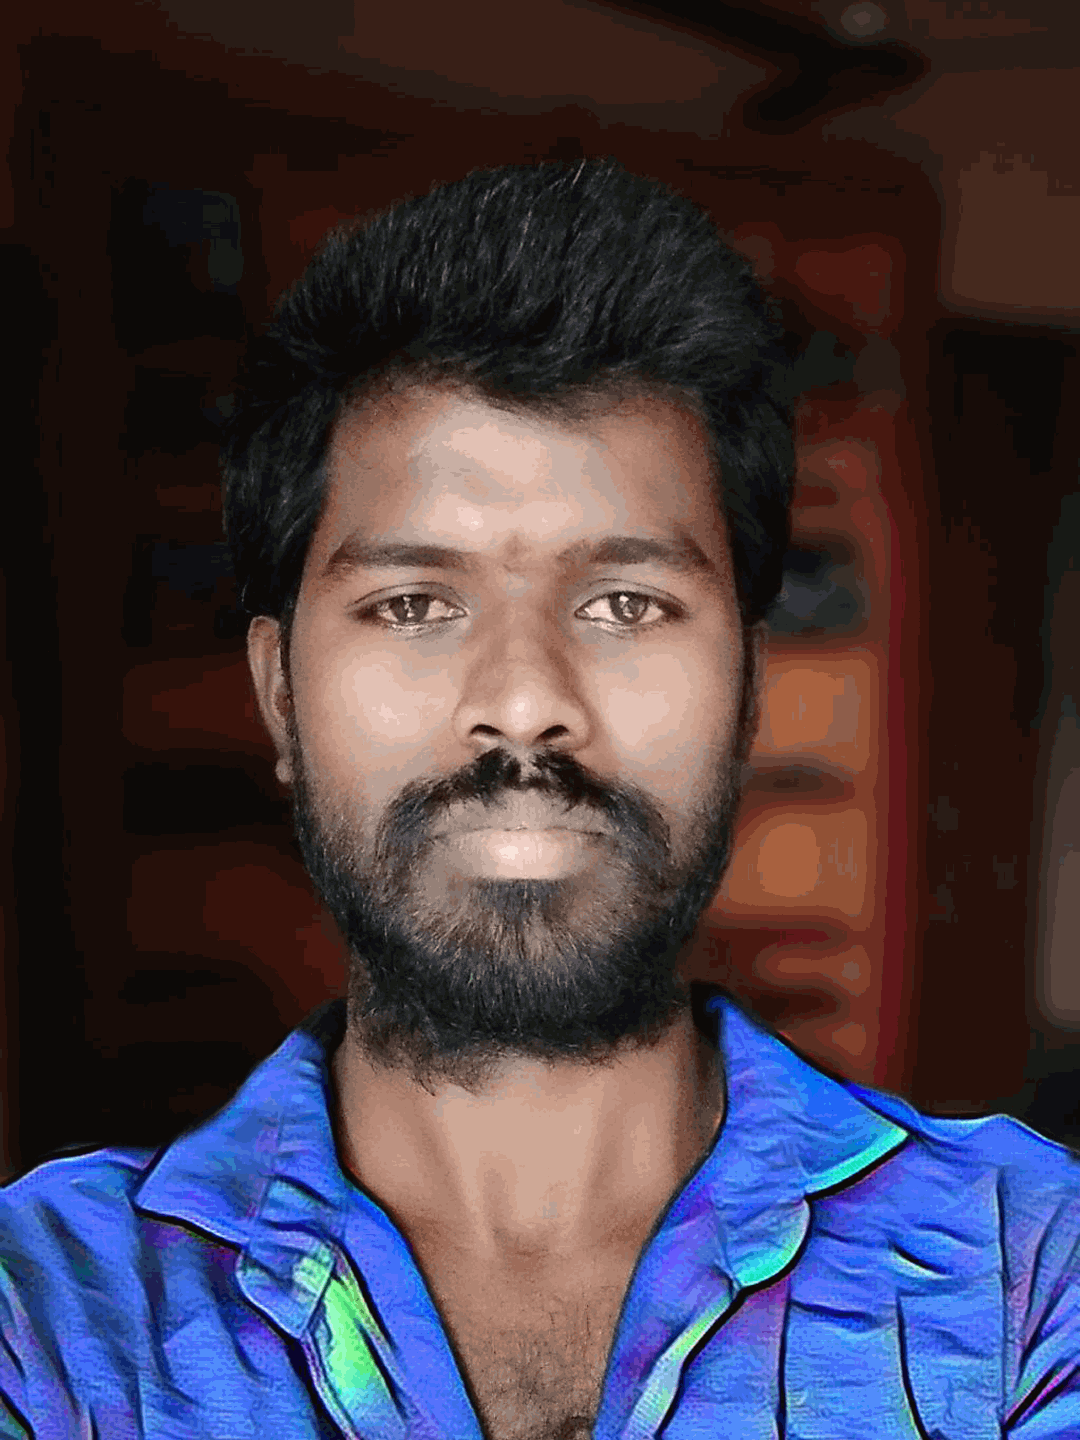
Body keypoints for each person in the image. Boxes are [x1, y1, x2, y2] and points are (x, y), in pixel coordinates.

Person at [1, 159, 1077, 1440]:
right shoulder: (48, 1316)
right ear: (281, 694)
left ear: (750, 690)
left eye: (625, 603)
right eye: (414, 603)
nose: (523, 704)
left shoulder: (1026, 1276)